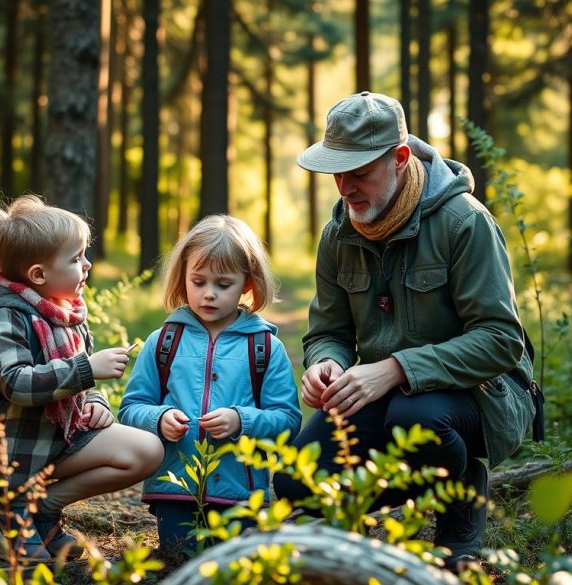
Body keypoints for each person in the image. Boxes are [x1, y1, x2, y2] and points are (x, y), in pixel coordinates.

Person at [272, 91, 535, 570]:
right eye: (337, 172)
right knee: (295, 480)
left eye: (359, 173)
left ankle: (461, 508)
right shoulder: (338, 235)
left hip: (481, 395)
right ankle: (360, 530)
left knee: (419, 419)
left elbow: (501, 339)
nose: (345, 187)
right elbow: (327, 329)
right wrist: (324, 362)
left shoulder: (465, 222)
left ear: (399, 158)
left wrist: (396, 368)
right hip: (383, 397)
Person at [0, 194, 164, 563]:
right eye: (76, 258)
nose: (87, 265)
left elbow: (77, 391)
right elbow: (16, 383)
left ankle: (37, 508)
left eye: (85, 254)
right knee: (35, 564)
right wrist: (87, 368)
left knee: (146, 451)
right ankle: (8, 510)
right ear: (39, 274)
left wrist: (97, 403)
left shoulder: (65, 314)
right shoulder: (4, 316)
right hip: (11, 452)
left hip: (53, 441)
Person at [119, 215, 302, 557]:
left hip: (241, 494)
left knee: (233, 569)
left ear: (247, 283)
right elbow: (130, 409)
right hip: (174, 490)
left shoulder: (263, 347)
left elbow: (287, 420)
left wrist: (241, 421)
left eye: (223, 284)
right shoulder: (163, 341)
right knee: (180, 563)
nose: (209, 294)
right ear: (183, 277)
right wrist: (159, 419)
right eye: (198, 281)